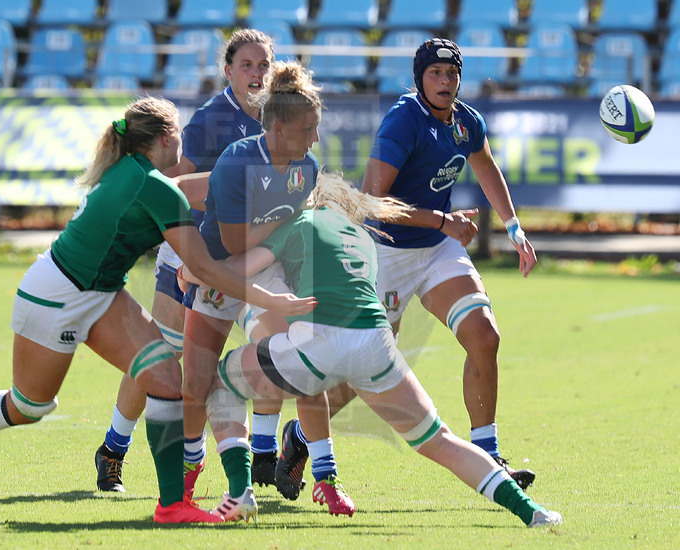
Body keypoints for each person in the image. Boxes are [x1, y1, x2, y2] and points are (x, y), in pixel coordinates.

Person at [0, 96, 315, 524]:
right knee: (28, 406)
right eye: (178, 130)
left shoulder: (140, 174)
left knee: (163, 378)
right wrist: (270, 297)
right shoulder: (154, 186)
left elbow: (203, 196)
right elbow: (201, 267)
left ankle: (171, 505)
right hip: (56, 292)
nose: (185, 137)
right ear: (164, 139)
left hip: (102, 291)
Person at [182, 171, 562, 527]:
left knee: (214, 382)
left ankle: (239, 492)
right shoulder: (360, 235)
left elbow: (235, 271)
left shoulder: (296, 223)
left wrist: (190, 272)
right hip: (376, 345)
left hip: (319, 346)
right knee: (441, 440)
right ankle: (533, 512)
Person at [279, 37, 538, 490]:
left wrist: (513, 227)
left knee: (484, 334)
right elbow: (370, 202)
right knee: (364, 371)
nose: (446, 81)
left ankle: (490, 456)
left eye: (452, 73)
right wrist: (441, 220)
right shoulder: (404, 121)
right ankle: (301, 436)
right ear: (420, 79)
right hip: (384, 252)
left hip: (437, 247)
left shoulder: (465, 121)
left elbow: (485, 166)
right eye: (436, 73)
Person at [92, 30, 336, 498]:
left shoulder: (286, 123)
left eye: (264, 64)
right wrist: (232, 181)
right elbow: (174, 184)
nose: (257, 73)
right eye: (247, 65)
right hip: (195, 249)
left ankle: (265, 452)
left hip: (252, 258)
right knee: (162, 355)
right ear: (228, 71)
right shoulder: (212, 121)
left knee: (278, 348)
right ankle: (113, 448)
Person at [181, 60, 355, 519]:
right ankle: (190, 469)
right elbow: (237, 243)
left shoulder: (307, 166)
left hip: (262, 271)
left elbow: (282, 241)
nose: (315, 139)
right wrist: (198, 268)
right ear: (278, 128)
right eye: (308, 129)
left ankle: (326, 479)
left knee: (303, 361)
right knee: (195, 382)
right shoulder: (239, 161)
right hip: (220, 272)